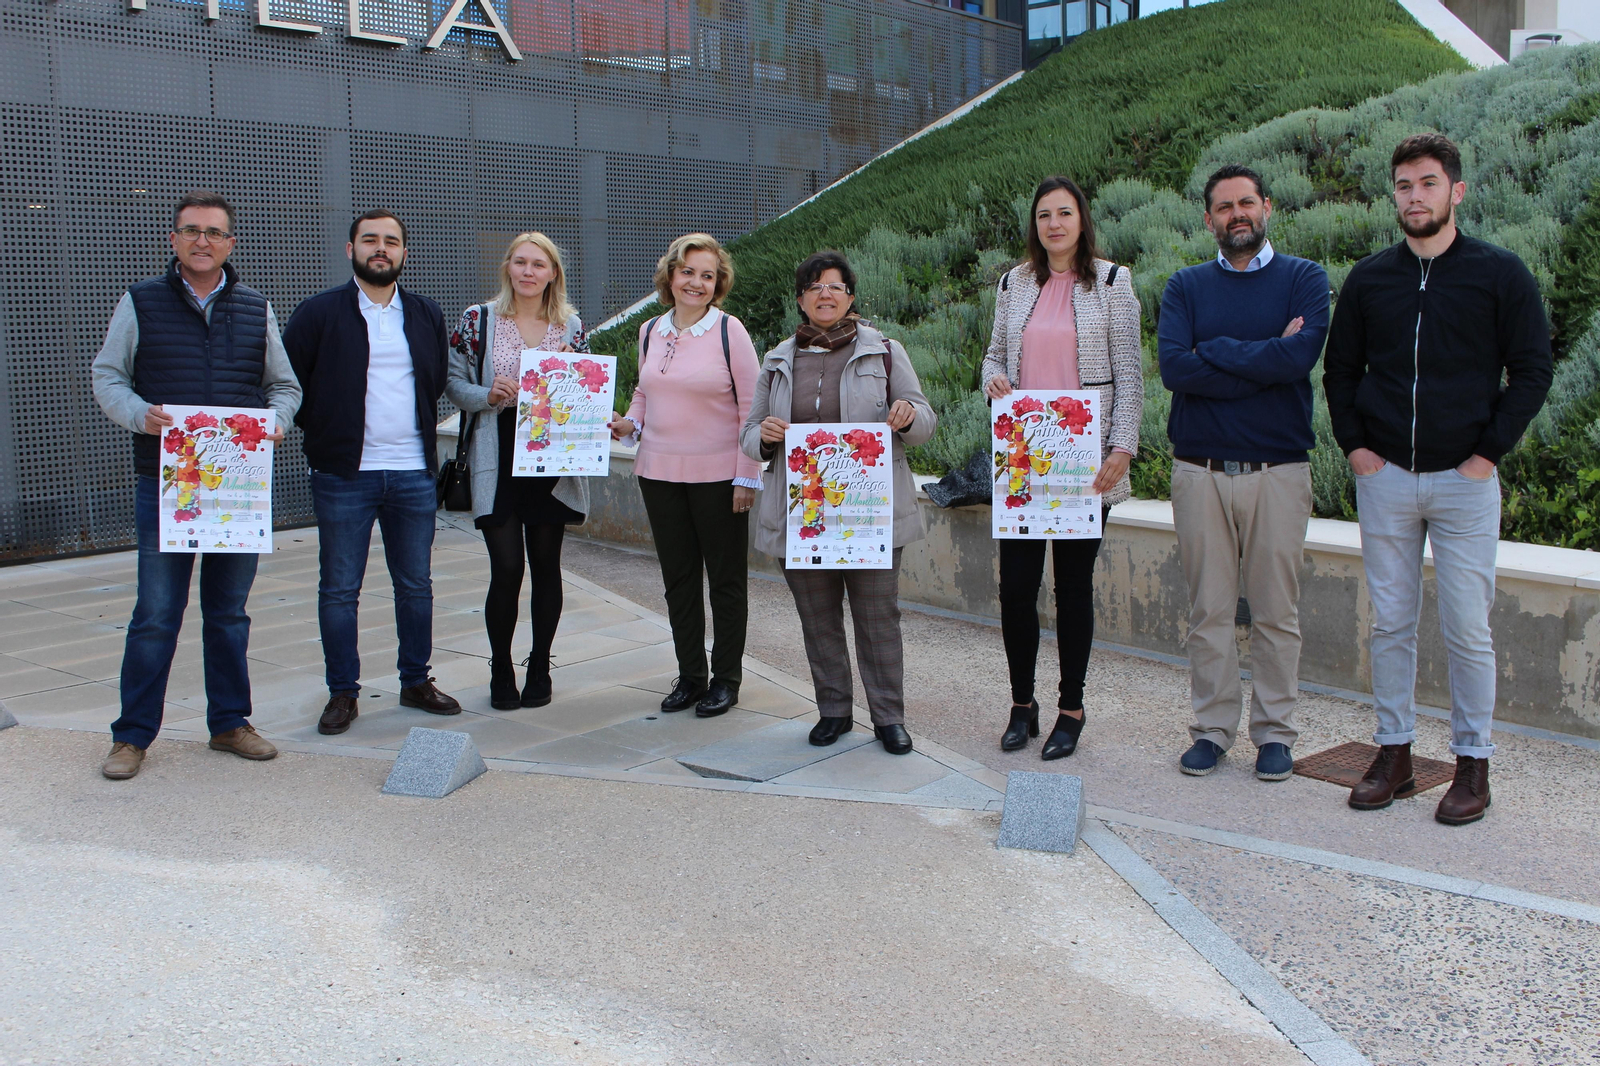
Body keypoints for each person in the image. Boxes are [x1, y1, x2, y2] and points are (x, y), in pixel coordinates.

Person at [1325, 133, 1553, 825]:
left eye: (1427, 183)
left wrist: (1486, 455)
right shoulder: (1371, 278)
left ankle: (1471, 766)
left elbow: (1532, 370)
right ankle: (1393, 754)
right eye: (1404, 185)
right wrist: (1356, 448)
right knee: (1390, 624)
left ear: (1456, 190)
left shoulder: (1499, 273)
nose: (1414, 196)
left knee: (1467, 629)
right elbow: (1341, 371)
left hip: (1465, 481)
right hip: (1387, 477)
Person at [90, 190, 302, 779]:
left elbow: (284, 386)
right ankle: (131, 737)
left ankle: (230, 724)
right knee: (157, 613)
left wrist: (278, 421)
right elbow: (108, 376)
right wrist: (140, 415)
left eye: (213, 232)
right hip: (168, 483)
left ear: (231, 243)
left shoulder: (256, 307)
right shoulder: (140, 301)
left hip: (236, 487)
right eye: (191, 231)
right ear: (174, 239)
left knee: (228, 612)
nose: (202, 241)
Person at [1157, 164, 1330, 782]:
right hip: (1199, 471)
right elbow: (1175, 369)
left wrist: (1216, 350)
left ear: (1267, 207)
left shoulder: (1304, 279)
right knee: (1209, 612)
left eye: (1247, 203)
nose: (1238, 214)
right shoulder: (1185, 286)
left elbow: (1298, 358)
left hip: (1277, 471)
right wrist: (1265, 356)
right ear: (1209, 219)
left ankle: (1275, 734)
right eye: (1225, 206)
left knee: (1276, 613)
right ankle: (1211, 730)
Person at [742, 250, 937, 755]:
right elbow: (749, 434)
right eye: (814, 286)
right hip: (803, 511)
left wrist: (907, 414)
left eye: (835, 286)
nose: (824, 294)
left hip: (867, 512)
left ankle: (889, 718)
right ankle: (833, 710)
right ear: (801, 299)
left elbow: (925, 421)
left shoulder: (884, 351)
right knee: (818, 616)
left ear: (850, 297)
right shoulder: (778, 359)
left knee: (877, 617)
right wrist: (763, 436)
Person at [980, 176, 1143, 759]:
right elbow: (993, 356)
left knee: (1073, 589)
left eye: (1065, 213)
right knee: (1016, 589)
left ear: (1082, 220)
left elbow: (1131, 373)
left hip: (1086, 463)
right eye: (1044, 214)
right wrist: (993, 379)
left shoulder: (1113, 283)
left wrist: (1121, 447)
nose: (1054, 223)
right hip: (1024, 461)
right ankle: (1022, 704)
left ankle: (1071, 708)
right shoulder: (1013, 283)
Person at [282, 209, 459, 736]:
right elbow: (290, 383)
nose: (381, 248)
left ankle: (415, 681)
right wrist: (327, 433)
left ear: (404, 252)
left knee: (416, 585)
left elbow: (433, 382)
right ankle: (343, 692)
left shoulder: (425, 313)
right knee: (340, 588)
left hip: (412, 472)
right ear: (351, 249)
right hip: (343, 474)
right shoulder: (318, 313)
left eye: (391, 241)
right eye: (370, 240)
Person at [605, 234, 761, 718]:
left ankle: (726, 680)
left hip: (719, 477)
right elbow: (644, 391)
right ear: (670, 276)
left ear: (718, 284)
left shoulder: (729, 331)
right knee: (678, 580)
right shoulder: (650, 330)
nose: (696, 282)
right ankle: (691, 676)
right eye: (688, 272)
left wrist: (747, 476)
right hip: (658, 473)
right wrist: (630, 424)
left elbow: (752, 408)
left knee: (726, 582)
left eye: (707, 275)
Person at [446, 233, 589, 710]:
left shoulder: (570, 326)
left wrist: (576, 376)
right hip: (498, 451)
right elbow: (452, 381)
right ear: (508, 267)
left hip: (548, 457)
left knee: (546, 566)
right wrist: (486, 394)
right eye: (521, 262)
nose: (529, 272)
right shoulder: (479, 319)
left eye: (539, 264)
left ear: (553, 273)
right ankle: (501, 666)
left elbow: (585, 390)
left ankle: (540, 665)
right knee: (507, 567)